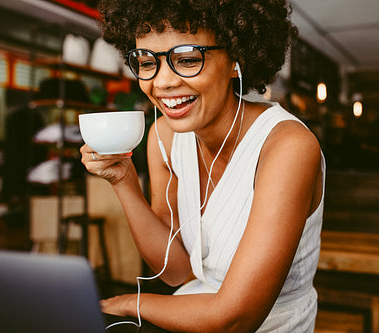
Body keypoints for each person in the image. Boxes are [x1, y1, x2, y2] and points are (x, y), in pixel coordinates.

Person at [81, 0, 325, 331]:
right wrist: (123, 180)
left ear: (236, 58)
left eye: (188, 59)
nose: (163, 82)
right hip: (189, 314)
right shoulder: (163, 138)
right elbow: (175, 270)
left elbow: (234, 319)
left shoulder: (287, 147)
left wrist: (130, 302)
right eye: (147, 61)